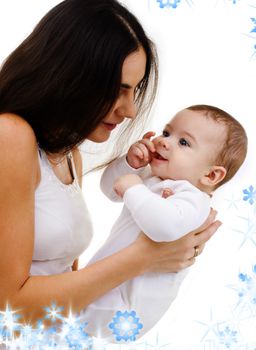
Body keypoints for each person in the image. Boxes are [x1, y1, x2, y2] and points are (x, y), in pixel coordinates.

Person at [0, 0, 219, 335]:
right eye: (119, 89)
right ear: (68, 74)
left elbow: (66, 288)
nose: (130, 110)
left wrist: (171, 247)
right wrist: (146, 256)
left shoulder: (66, 152)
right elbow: (8, 309)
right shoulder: (10, 136)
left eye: (135, 90)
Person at [82, 105, 247, 340]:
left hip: (123, 308)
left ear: (210, 176)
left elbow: (163, 228)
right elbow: (110, 189)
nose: (164, 142)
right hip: (101, 289)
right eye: (167, 133)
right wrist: (130, 165)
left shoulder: (194, 200)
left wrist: (134, 187)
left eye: (184, 143)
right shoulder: (153, 179)